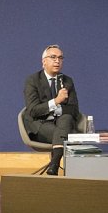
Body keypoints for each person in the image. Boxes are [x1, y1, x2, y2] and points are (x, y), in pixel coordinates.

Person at [22, 44, 81, 176]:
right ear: (44, 61)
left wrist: (58, 110)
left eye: (60, 58)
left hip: (61, 124)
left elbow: (74, 110)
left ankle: (54, 163)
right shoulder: (32, 80)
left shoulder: (67, 81)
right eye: (53, 57)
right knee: (67, 134)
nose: (57, 61)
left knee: (66, 118)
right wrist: (56, 102)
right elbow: (33, 111)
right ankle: (58, 162)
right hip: (40, 125)